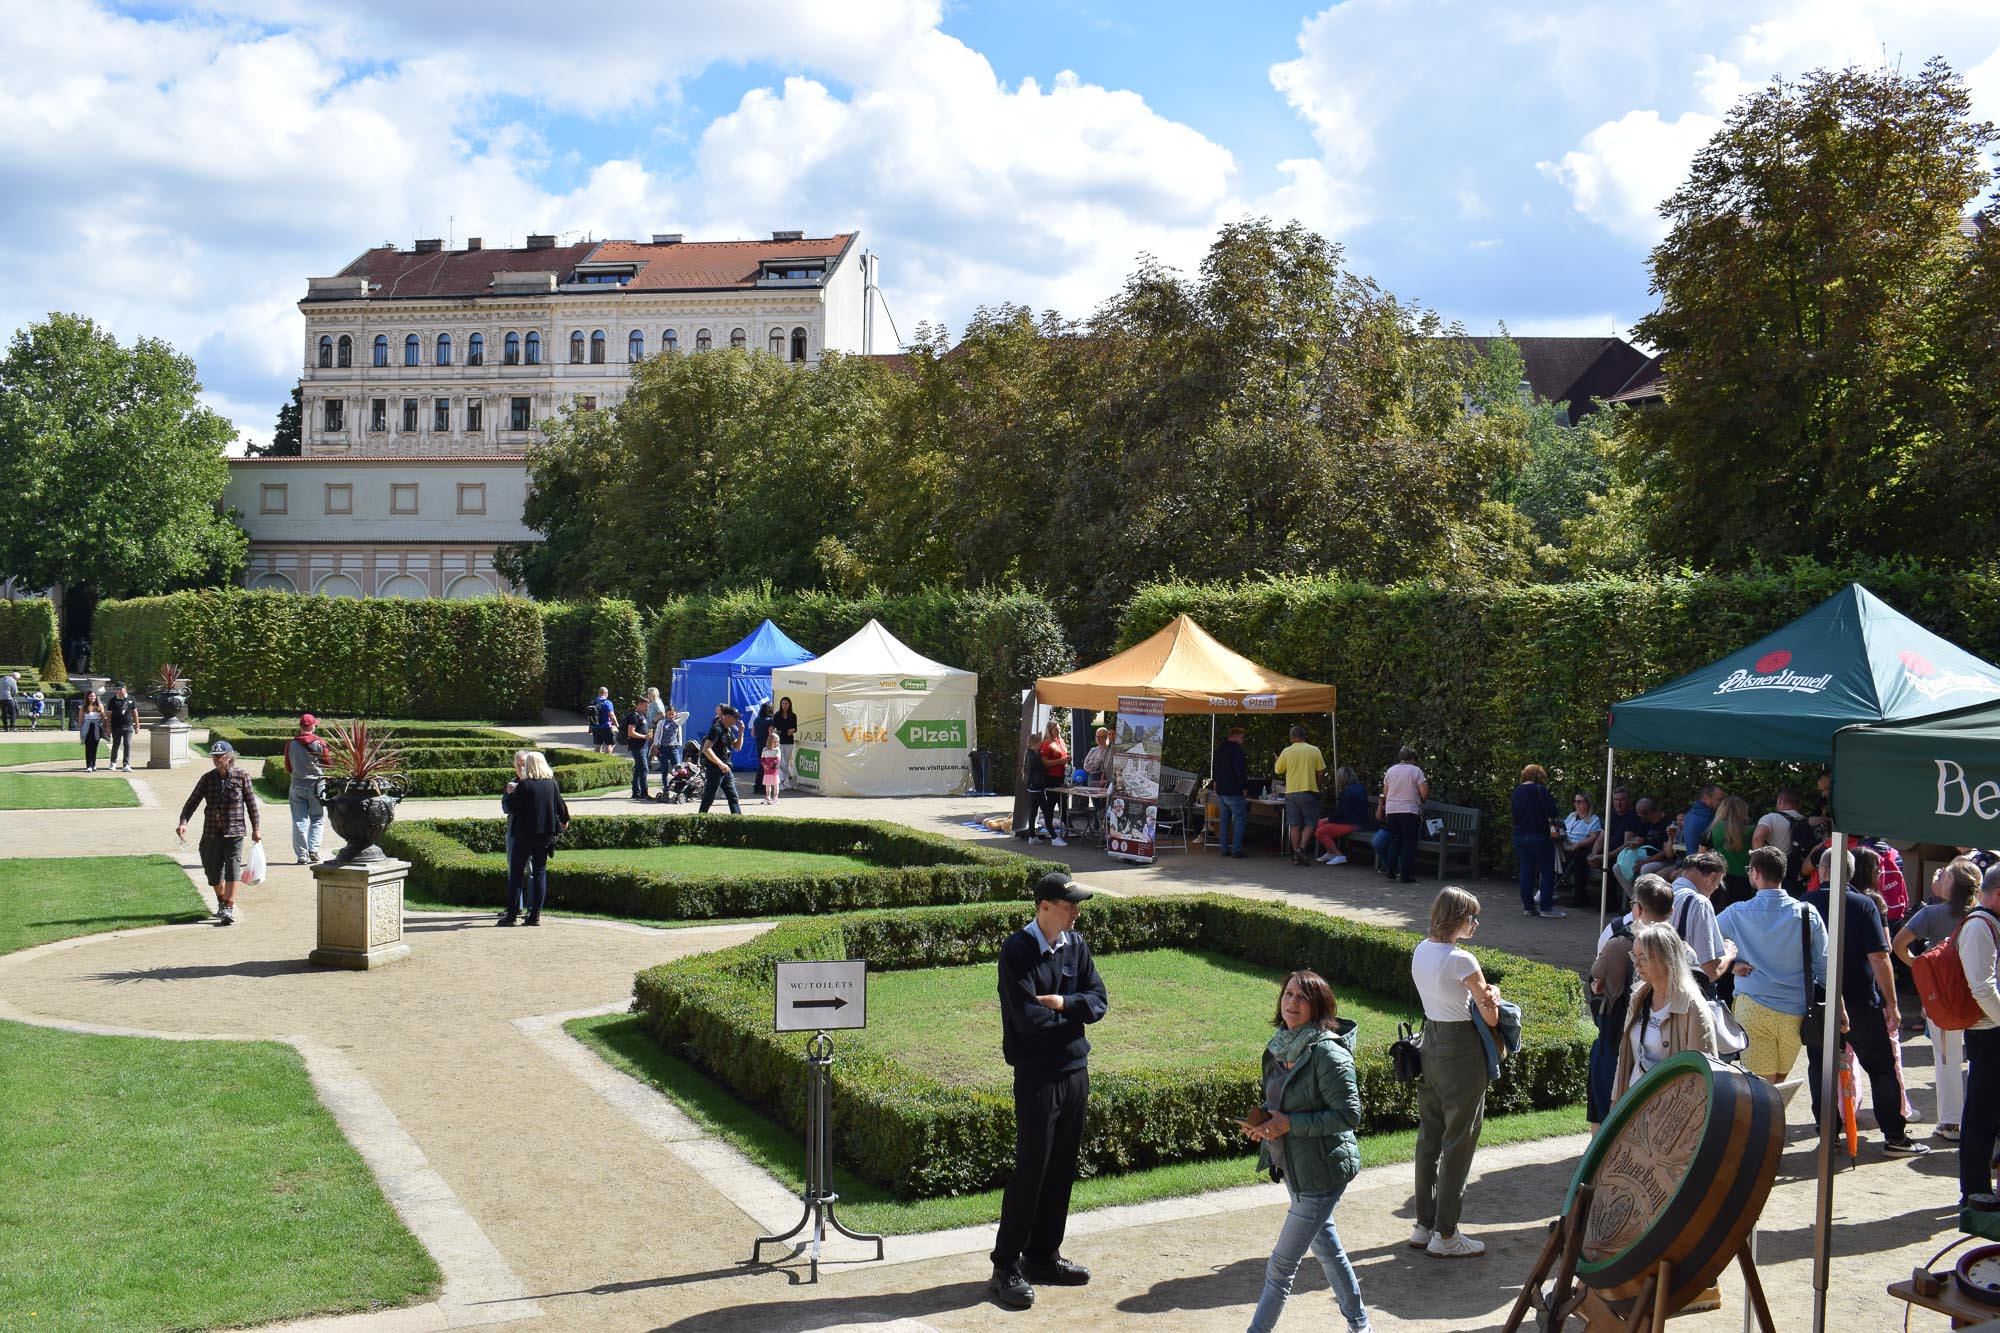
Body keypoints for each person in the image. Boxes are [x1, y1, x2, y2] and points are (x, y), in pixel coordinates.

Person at [989, 873, 1108, 1311]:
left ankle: (1042, 1256)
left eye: (1075, 904)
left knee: (1062, 1166)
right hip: (1037, 1075)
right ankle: (1005, 1265)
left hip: (1076, 1071)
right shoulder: (1017, 951)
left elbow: (1098, 999)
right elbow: (1026, 1021)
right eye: (1067, 904)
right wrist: (1074, 1016)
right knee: (1032, 1169)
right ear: (1043, 906)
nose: (1076, 911)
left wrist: (1063, 1004)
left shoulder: (1076, 945)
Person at [1243, 969, 1372, 1333]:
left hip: (1323, 1171)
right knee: (1328, 1250)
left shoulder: (1329, 1053)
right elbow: (1280, 1104)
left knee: (1281, 1266)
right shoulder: (1278, 1045)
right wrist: (1265, 1125)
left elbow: (1349, 1114)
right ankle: (1360, 1326)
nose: (1292, 1002)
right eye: (1288, 994)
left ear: (1318, 1006)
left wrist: (1289, 1125)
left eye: (1302, 997)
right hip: (1294, 1166)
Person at [1804, 846, 1929, 1156]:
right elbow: (1878, 956)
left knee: (1821, 1067)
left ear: (1822, 871)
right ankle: (1894, 1137)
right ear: (1850, 872)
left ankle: (1829, 1133)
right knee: (1882, 1068)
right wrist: (1893, 1002)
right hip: (1861, 1000)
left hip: (1817, 1001)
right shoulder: (1862, 905)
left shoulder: (1804, 904)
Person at [1410, 886, 1499, 1258]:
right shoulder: (1462, 960)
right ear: (1458, 919)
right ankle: (1446, 1235)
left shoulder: (1420, 949)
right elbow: (1491, 1017)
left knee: (1429, 1137)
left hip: (1429, 1041)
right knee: (1458, 1142)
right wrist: (1492, 996)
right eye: (1471, 918)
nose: (1475, 923)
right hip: (1460, 1049)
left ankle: (1423, 1224)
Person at [1717, 845, 1827, 1083]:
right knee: (1778, 1084)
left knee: (1761, 1087)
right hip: (1796, 1009)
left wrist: (1731, 962)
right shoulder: (1808, 913)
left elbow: (1704, 940)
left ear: (1755, 873)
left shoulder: (1737, 912)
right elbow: (1824, 966)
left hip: (1753, 1005)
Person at [1894, 858, 1983, 1141]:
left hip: (1944, 997)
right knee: (1982, 1060)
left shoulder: (1931, 914)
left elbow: (1898, 945)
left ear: (1950, 884)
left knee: (1947, 1058)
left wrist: (1922, 971)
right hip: (1982, 994)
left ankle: (1951, 1122)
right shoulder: (1984, 914)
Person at [1589, 875, 1677, 1126]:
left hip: (1617, 1039)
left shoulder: (1617, 942)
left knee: (1607, 1118)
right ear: (1671, 910)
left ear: (1637, 908)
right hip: (1661, 1046)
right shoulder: (1680, 949)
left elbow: (1596, 977)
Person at [1610, 923, 1723, 1101]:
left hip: (1670, 1115)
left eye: (1644, 958)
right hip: (1634, 1105)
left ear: (1667, 959)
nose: (1637, 964)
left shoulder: (1693, 1008)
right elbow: (1624, 1059)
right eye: (1635, 955)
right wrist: (1616, 1102)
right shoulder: (1638, 997)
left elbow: (1704, 1076)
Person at [175, 740, 262, 926]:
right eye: (214, 756)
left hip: (235, 831)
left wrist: (256, 829)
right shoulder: (207, 779)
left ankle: (229, 907)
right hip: (211, 831)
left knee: (233, 868)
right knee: (213, 872)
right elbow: (192, 802)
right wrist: (183, 822)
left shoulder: (242, 776)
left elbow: (251, 804)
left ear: (230, 756)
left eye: (220, 756)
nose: (216, 759)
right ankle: (222, 900)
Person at [1958, 864, 2000, 1205]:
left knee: (1988, 1111)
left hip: (1993, 1028)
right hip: (1987, 1032)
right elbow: (1982, 988)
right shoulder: (1979, 926)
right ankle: (1974, 1190)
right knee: (1981, 1113)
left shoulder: (1988, 924)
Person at [499, 751, 569, 927]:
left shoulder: (525, 785)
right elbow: (561, 807)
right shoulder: (551, 784)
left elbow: (513, 808)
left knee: (516, 874)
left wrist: (510, 793)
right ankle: (535, 915)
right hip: (544, 836)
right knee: (539, 873)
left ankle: (512, 915)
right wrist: (565, 821)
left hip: (523, 835)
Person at [1667, 849, 1738, 986]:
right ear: (1712, 877)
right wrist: (1729, 955)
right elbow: (1709, 972)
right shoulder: (1700, 902)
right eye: (1718, 882)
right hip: (1685, 991)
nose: (1716, 888)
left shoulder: (1665, 892)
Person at [1510, 764, 1563, 918]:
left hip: (1520, 835)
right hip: (1539, 836)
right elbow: (1553, 812)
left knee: (1526, 872)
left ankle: (1528, 907)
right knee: (1547, 872)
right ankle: (1546, 907)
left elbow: (1514, 814)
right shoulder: (1540, 790)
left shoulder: (1517, 791)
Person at [1274, 726, 1326, 867]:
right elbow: (1321, 772)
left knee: (1294, 824)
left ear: (1292, 737)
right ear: (1305, 736)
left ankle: (1296, 852)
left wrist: (1278, 760)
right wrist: (1318, 787)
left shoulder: (1286, 751)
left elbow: (1278, 770)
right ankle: (1301, 849)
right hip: (1308, 791)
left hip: (1291, 792)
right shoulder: (1314, 750)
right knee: (1311, 822)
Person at [283, 713, 329, 865]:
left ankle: (302, 855)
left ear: (300, 726)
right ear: (312, 726)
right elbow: (329, 763)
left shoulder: (290, 744)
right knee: (317, 818)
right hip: (317, 785)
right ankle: (313, 850)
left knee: (299, 820)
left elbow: (288, 767)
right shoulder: (320, 743)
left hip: (297, 784)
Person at [1381, 747, 1429, 885]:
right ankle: (1405, 874)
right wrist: (1421, 799)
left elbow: (1385, 793)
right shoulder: (1416, 771)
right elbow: (1424, 792)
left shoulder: (1390, 771)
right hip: (1409, 810)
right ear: (1413, 758)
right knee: (1409, 843)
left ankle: (1390, 870)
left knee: (1395, 840)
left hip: (1392, 810)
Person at [1752, 787, 1813, 891]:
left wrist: (1759, 862)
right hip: (1799, 872)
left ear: (1779, 800)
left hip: (1774, 871)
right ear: (1799, 804)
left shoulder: (1771, 818)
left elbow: (1757, 837)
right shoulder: (1807, 821)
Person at [1313, 766, 1370, 866]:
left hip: (1353, 823)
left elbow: (1342, 813)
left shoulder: (1348, 792)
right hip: (1358, 821)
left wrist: (1328, 819)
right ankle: (1330, 852)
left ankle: (1338, 855)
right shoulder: (1359, 788)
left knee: (1320, 831)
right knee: (1320, 825)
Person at [1707, 794, 1754, 906]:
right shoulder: (1752, 831)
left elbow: (1702, 854)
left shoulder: (1713, 829)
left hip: (1720, 879)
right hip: (1744, 880)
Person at [697, 704, 743, 815]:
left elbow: (737, 747)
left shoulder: (729, 730)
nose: (736, 720)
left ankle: (738, 821)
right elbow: (706, 749)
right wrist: (720, 764)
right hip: (715, 769)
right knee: (709, 797)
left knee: (733, 797)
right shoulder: (716, 729)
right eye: (735, 717)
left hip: (726, 769)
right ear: (726, 716)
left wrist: (741, 733)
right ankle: (700, 819)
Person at [1213, 725, 1250, 859]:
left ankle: (1223, 848)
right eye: (1241, 737)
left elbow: (1215, 768)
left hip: (1221, 789)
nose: (1243, 740)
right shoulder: (1237, 750)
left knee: (1224, 820)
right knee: (1240, 819)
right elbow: (1240, 771)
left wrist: (1215, 782)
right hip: (1234, 790)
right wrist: (1244, 787)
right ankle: (1236, 849)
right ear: (1234, 736)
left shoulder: (1220, 749)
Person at [1560, 793, 1603, 903]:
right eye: (1575, 801)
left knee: (1579, 859)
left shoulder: (1594, 819)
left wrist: (1578, 845)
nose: (1576, 804)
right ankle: (1546, 890)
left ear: (1587, 803)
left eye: (1579, 801)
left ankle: (1580, 897)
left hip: (1582, 847)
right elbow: (1564, 830)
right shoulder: (1571, 816)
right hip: (1565, 845)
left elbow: (1594, 837)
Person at [622, 698, 653, 800]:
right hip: (637, 746)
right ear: (639, 704)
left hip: (643, 746)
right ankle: (644, 793)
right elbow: (631, 732)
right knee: (644, 768)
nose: (647, 708)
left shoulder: (642, 715)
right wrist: (644, 737)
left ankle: (636, 792)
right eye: (646, 706)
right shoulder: (634, 716)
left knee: (638, 769)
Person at [106, 683, 140, 772]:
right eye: (117, 689)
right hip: (116, 726)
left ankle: (126, 764)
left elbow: (135, 712)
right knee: (116, 744)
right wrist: (108, 727)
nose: (118, 691)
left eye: (120, 689)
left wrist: (137, 725)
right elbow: (109, 714)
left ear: (125, 689)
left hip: (128, 726)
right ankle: (113, 762)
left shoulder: (131, 699)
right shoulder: (113, 700)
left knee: (127, 745)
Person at [773, 696, 800, 792]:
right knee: (781, 762)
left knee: (786, 762)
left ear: (789, 705)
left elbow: (795, 727)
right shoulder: (777, 715)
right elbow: (774, 727)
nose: (784, 705)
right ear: (781, 704)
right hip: (780, 741)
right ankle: (787, 779)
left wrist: (793, 730)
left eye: (786, 704)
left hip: (789, 741)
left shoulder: (793, 715)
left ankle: (783, 782)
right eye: (783, 703)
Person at [76, 690, 105, 771]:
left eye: (94, 696)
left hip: (96, 727)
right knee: (88, 747)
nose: (92, 698)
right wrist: (80, 730)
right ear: (88, 697)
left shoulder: (100, 705)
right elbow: (81, 719)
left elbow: (103, 717)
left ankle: (94, 764)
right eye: (91, 696)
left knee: (95, 747)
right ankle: (89, 765)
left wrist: (105, 723)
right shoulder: (83, 707)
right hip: (87, 727)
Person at [751, 700, 775, 796]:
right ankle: (762, 787)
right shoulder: (770, 721)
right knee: (765, 767)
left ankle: (757, 787)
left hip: (758, 744)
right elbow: (770, 735)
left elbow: (753, 733)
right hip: (767, 746)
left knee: (760, 765)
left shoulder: (757, 720)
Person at [588, 686, 616, 753]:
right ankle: (607, 760)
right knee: (610, 744)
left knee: (598, 745)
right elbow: (611, 715)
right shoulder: (607, 702)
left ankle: (597, 759)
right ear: (605, 693)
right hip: (606, 726)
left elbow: (590, 716)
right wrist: (617, 725)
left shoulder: (593, 702)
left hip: (595, 726)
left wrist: (590, 727)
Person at [760, 727, 782, 805]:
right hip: (767, 771)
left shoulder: (777, 750)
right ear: (770, 741)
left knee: (775, 784)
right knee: (767, 784)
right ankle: (767, 797)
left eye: (777, 742)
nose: (776, 744)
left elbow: (777, 760)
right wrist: (764, 765)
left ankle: (775, 798)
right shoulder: (764, 749)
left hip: (774, 771)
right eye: (775, 742)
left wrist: (769, 766)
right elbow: (762, 760)